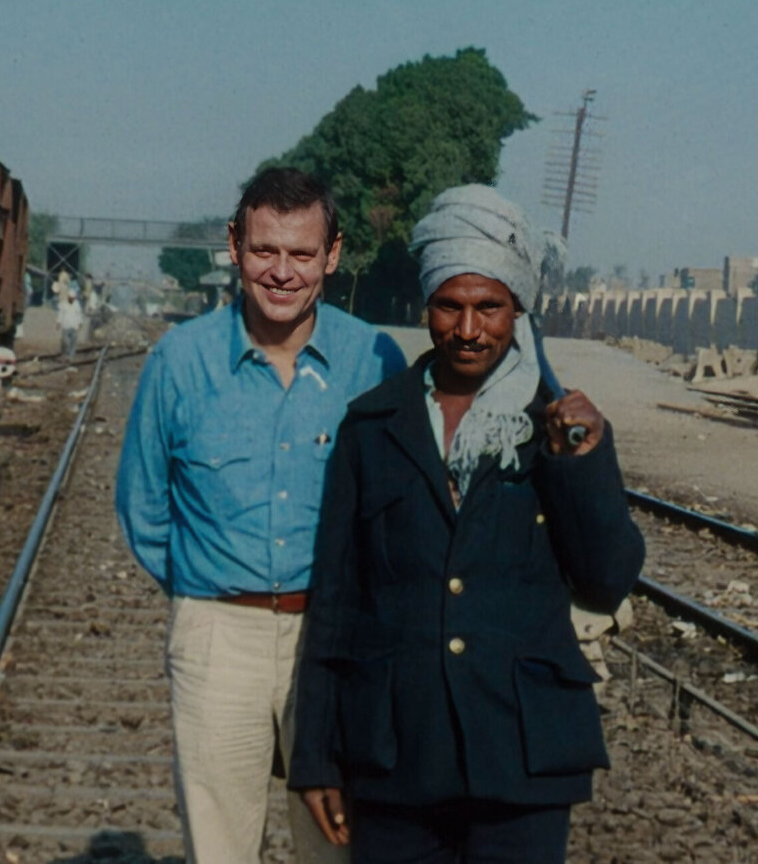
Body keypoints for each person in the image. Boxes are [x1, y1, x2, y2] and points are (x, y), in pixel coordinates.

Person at [288, 184, 646, 864]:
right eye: (450, 306)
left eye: (490, 308)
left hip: (522, 759)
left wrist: (583, 463)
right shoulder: (373, 426)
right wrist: (316, 759)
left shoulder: (560, 430)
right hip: (395, 757)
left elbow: (606, 581)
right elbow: (336, 602)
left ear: (518, 310)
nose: (469, 328)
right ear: (428, 307)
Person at [116, 167, 407, 863]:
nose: (282, 272)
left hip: (337, 643)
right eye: (264, 251)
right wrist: (205, 593)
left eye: (302, 255)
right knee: (220, 849)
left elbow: (400, 509)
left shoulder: (374, 360)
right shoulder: (179, 362)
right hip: (220, 632)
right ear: (234, 246)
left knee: (339, 845)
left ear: (332, 255)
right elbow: (144, 507)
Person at [56, 286, 85, 358]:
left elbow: (79, 314)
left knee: (73, 342)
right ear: (68, 297)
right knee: (65, 341)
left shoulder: (77, 304)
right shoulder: (64, 304)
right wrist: (58, 322)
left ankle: (70, 356)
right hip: (66, 325)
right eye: (70, 298)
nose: (72, 299)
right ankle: (65, 354)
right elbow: (60, 313)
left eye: (73, 298)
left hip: (74, 326)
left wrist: (80, 323)